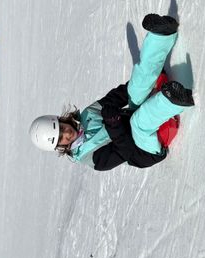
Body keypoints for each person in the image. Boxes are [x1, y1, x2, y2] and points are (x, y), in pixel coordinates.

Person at [29, 14, 194, 171]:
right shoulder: (91, 158)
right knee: (138, 122)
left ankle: (162, 36)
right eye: (61, 138)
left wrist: (141, 84)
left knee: (136, 90)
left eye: (62, 128)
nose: (66, 133)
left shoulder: (87, 116)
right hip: (145, 148)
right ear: (60, 147)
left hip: (135, 118)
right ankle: (174, 100)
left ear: (62, 120)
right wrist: (114, 124)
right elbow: (126, 151)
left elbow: (116, 97)